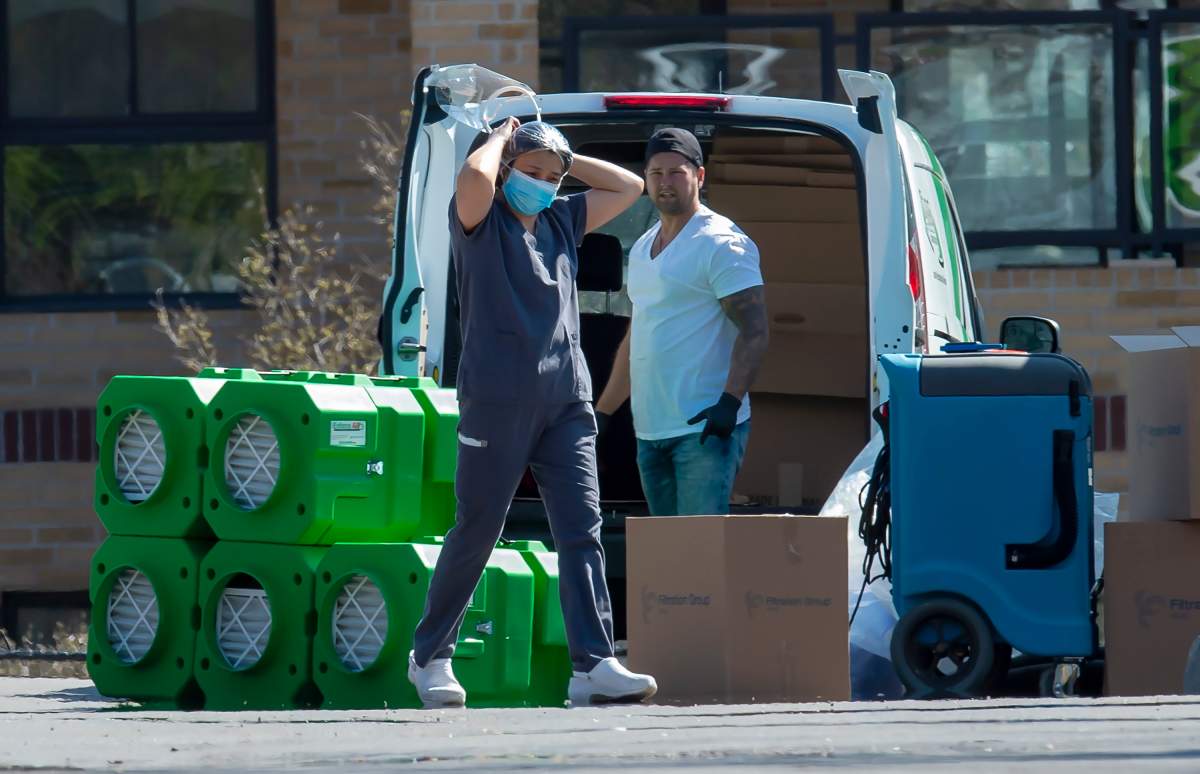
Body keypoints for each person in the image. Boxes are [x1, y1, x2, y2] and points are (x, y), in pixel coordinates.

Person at [408, 118, 658, 708]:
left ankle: (593, 664)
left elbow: (630, 187)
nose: (543, 186)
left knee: (582, 529)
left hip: (565, 400)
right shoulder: (478, 219)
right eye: (532, 174)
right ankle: (430, 655)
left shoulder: (562, 219)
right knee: (478, 526)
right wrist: (502, 136)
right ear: (506, 173)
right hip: (497, 399)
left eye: (553, 178)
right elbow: (472, 174)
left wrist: (561, 159)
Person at [595, 128, 768, 516]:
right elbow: (637, 337)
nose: (665, 182)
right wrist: (604, 412)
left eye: (677, 172)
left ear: (699, 177)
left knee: (699, 554)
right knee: (667, 556)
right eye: (656, 173)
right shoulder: (642, 247)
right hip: (650, 431)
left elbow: (755, 331)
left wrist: (728, 403)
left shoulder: (722, 244)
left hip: (704, 431)